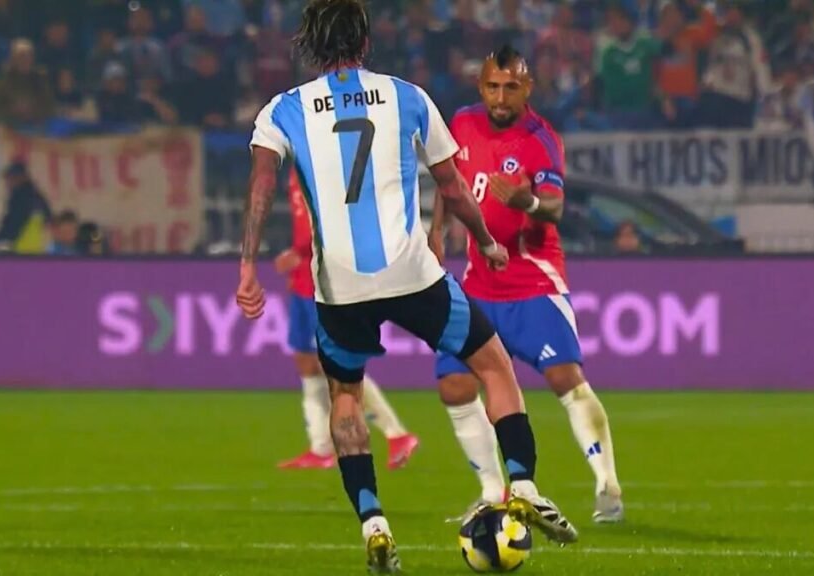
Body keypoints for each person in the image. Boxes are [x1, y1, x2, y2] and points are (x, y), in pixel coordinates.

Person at [236, 1, 576, 572]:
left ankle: (374, 522)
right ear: (366, 42)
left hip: (339, 284)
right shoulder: (407, 96)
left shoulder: (282, 110)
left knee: (346, 397)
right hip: (412, 271)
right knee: (493, 365)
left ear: (310, 44)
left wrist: (247, 264)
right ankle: (522, 484)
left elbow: (261, 187)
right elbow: (453, 185)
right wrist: (486, 240)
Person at [431, 46, 625, 524]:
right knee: (454, 385)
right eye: (493, 87)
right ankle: (492, 492)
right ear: (481, 86)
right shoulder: (462, 123)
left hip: (532, 281)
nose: (501, 98)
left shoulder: (541, 139)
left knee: (564, 379)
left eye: (511, 88)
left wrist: (529, 202)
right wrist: (435, 231)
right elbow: (448, 182)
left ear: (527, 88)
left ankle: (607, 485)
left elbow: (555, 206)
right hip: (478, 284)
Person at [274, 168, 420, 470]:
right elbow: (304, 222)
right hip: (304, 278)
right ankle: (321, 448)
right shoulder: (294, 169)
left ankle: (397, 434)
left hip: (328, 280)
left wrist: (302, 253)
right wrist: (298, 259)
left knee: (338, 366)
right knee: (306, 361)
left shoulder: (328, 165)